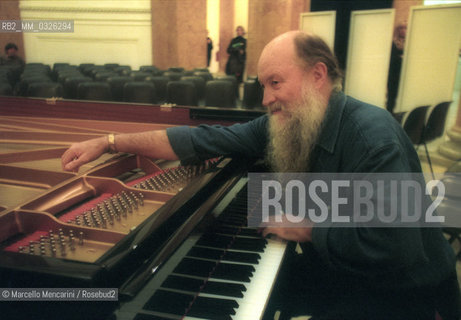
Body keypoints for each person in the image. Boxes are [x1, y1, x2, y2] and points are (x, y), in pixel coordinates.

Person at [61, 31, 459, 320]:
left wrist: (306, 228)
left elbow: (397, 247)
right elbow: (202, 141)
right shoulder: (288, 122)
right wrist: (113, 142)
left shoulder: (374, 138)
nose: (266, 98)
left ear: (318, 75)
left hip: (403, 292)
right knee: (231, 290)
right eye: (262, 85)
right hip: (344, 264)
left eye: (275, 83)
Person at [386, 22, 407, 114]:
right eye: (401, 28)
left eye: (405, 28)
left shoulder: (410, 42)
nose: (403, 30)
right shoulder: (393, 43)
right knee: (392, 97)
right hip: (394, 74)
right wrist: (400, 57)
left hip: (405, 75)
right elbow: (391, 59)